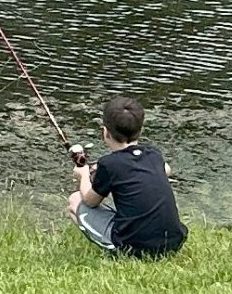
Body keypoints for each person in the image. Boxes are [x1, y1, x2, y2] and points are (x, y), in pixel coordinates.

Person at [69, 94, 186, 257]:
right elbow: (166, 170)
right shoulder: (154, 154)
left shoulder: (109, 164)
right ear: (141, 129)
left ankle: (115, 251)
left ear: (105, 132)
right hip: (174, 242)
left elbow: (90, 200)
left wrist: (82, 175)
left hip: (134, 247)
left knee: (75, 200)